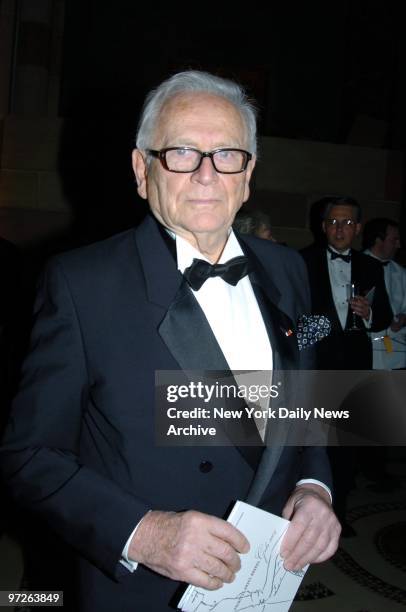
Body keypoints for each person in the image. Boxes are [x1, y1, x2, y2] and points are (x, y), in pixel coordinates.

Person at [0, 71, 340, 611]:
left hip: (264, 584)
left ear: (248, 175)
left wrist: (315, 489)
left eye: (228, 154)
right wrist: (143, 533)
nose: (207, 174)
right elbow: (28, 455)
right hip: (142, 592)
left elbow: (302, 407)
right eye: (182, 152)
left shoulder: (287, 271)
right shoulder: (81, 285)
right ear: (142, 169)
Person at [300, 196, 393, 535]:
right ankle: (305, 512)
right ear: (323, 226)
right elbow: (291, 320)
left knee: (345, 445)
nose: (340, 229)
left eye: (348, 223)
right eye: (334, 222)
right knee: (313, 443)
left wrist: (369, 314)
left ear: (358, 228)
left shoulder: (370, 267)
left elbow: (383, 314)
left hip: (354, 368)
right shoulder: (302, 262)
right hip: (315, 369)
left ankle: (338, 512)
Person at [363, 218, 406, 369]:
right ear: (378, 240)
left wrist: (403, 317)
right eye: (394, 240)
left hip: (396, 351)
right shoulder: (356, 266)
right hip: (366, 350)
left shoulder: (401, 272)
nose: (399, 245)